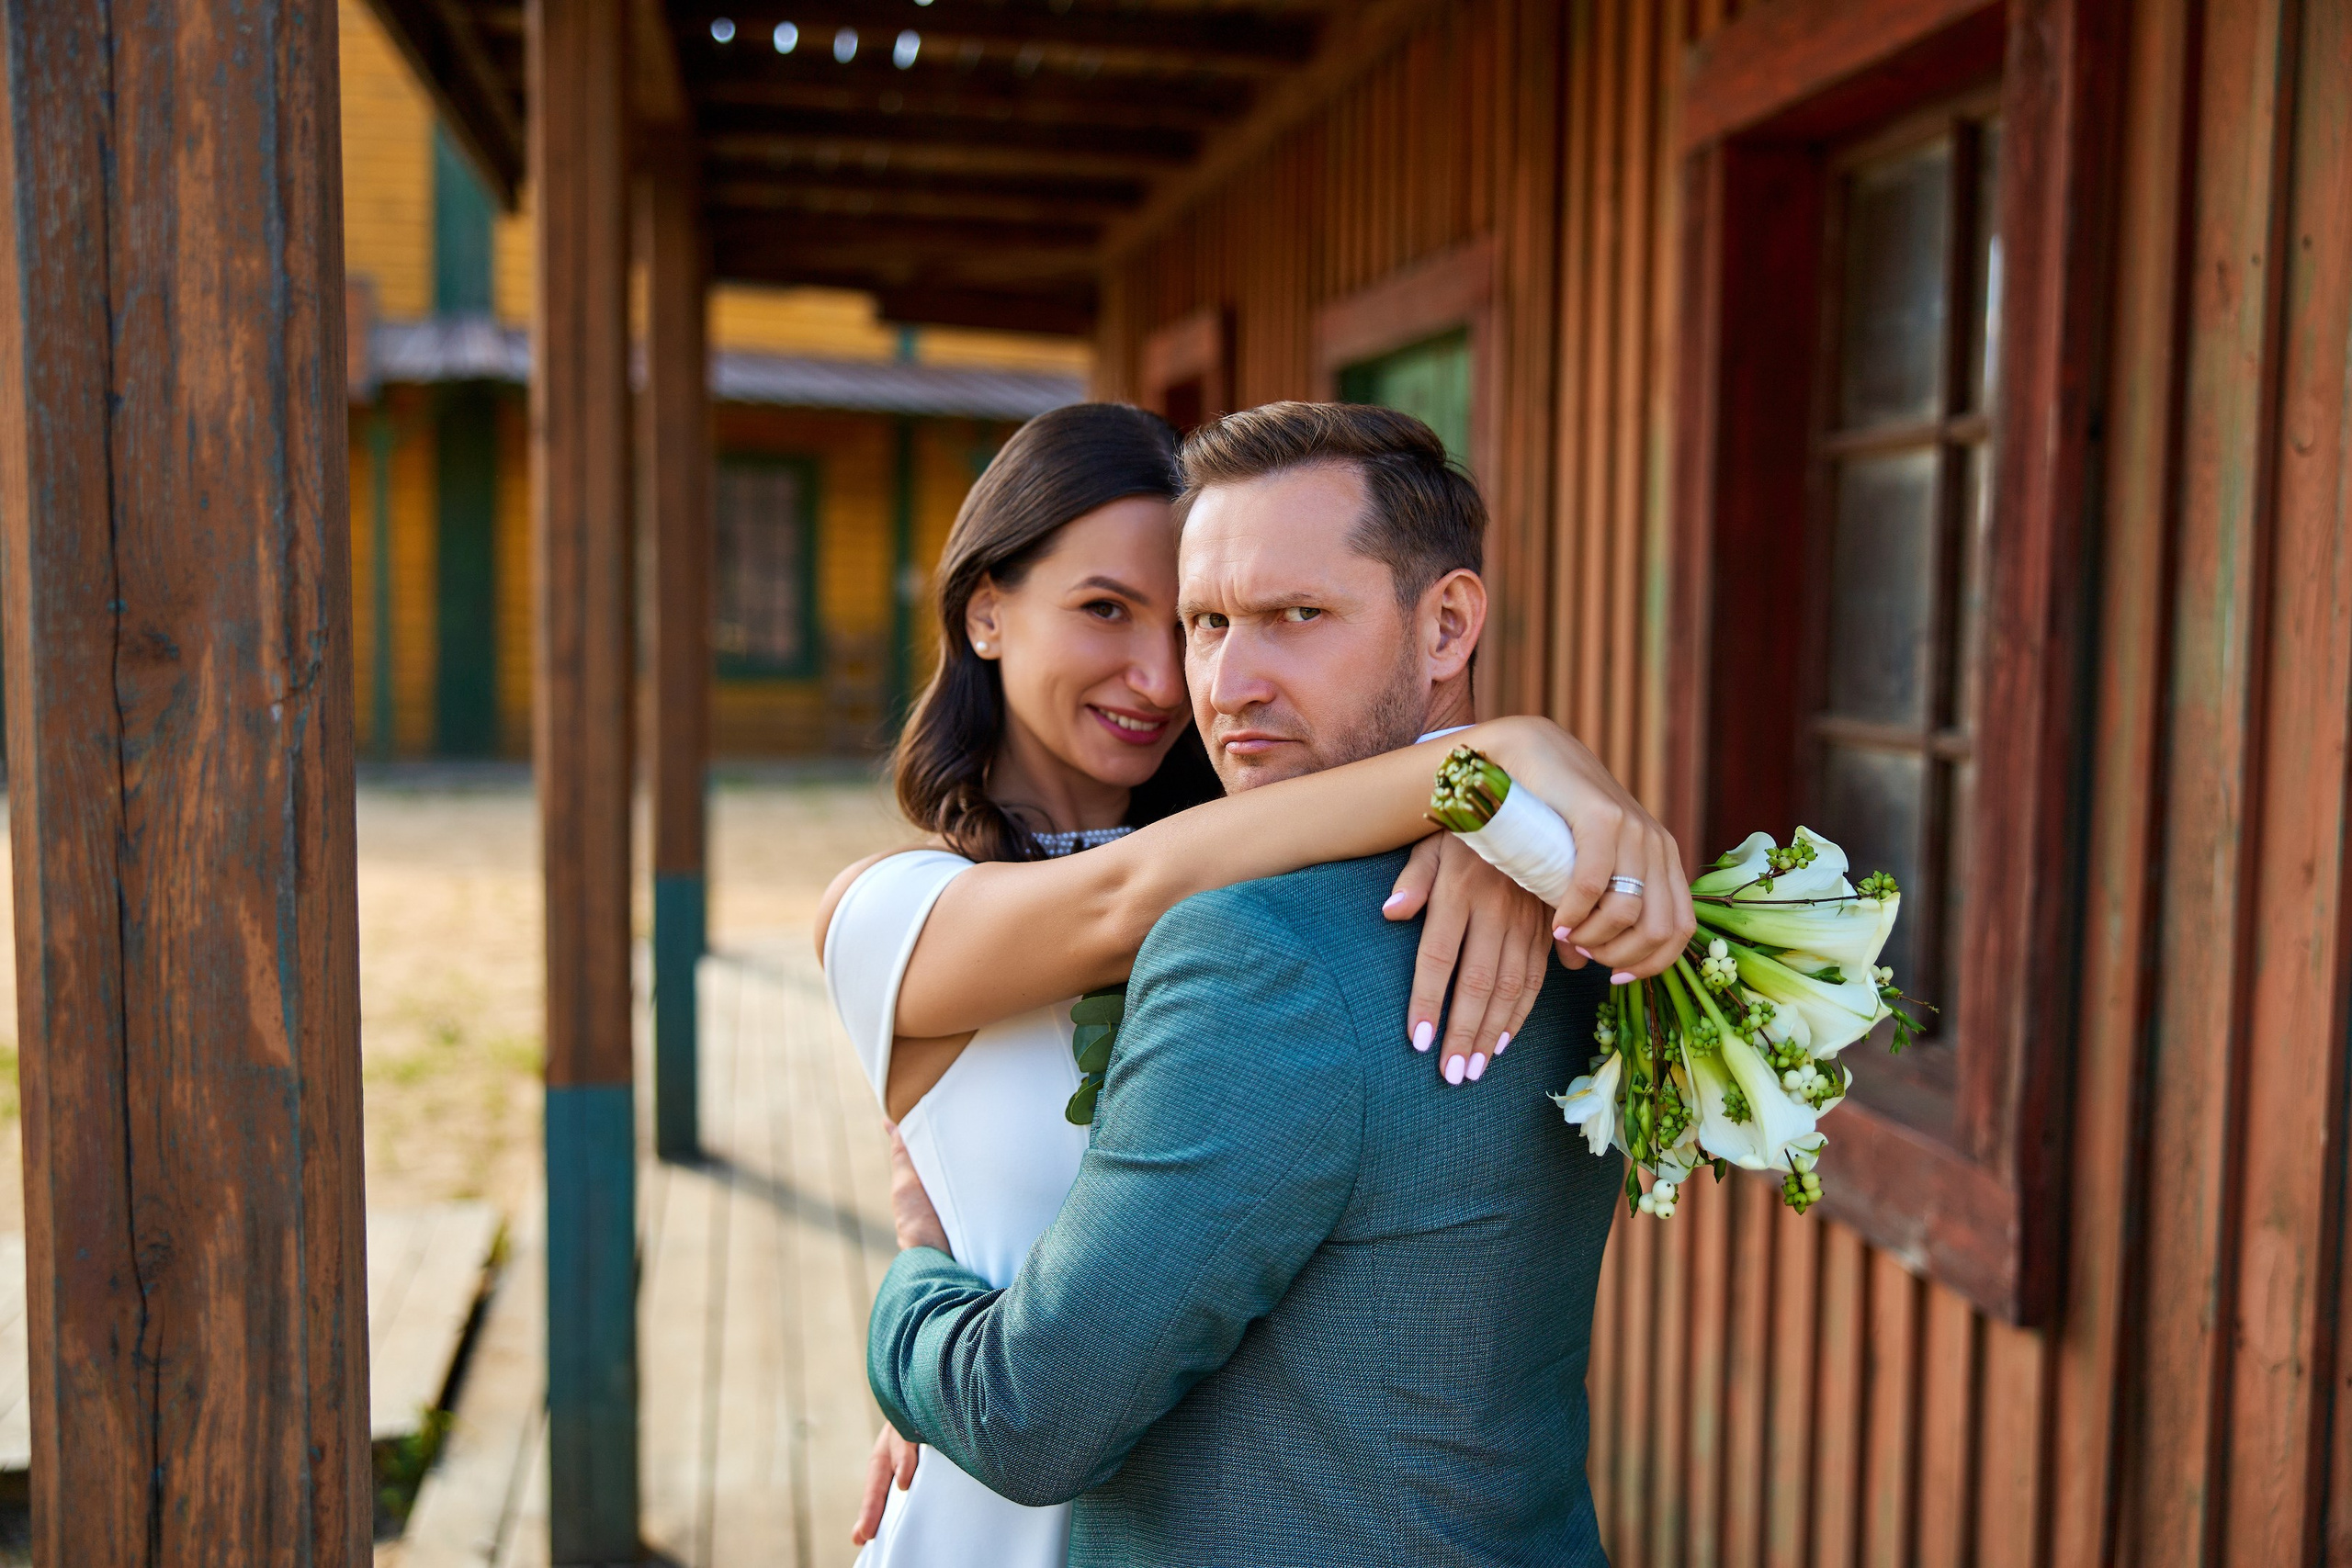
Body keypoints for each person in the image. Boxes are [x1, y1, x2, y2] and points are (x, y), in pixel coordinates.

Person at [822, 402, 1690, 1565]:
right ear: (985, 608)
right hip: (983, 1515)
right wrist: (1497, 761)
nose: (1190, 680)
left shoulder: (1402, 900)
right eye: (1190, 619)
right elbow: (1120, 901)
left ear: (1446, 626)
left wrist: (1501, 823)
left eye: (1291, 615)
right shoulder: (901, 910)